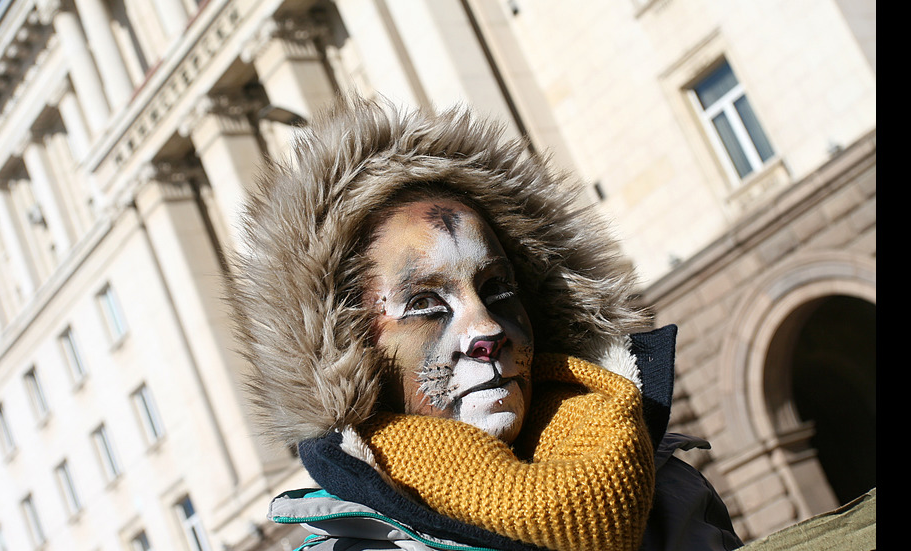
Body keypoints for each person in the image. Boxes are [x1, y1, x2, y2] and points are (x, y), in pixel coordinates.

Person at [230, 96, 743, 550]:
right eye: (427, 303)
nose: (486, 330)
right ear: (348, 350)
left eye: (499, 290)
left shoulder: (667, 485)